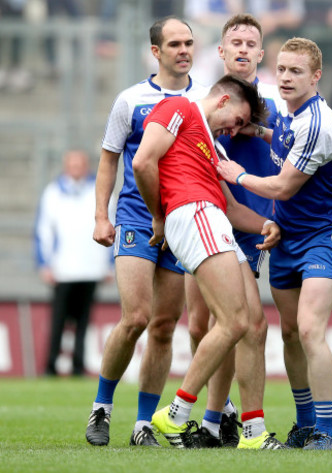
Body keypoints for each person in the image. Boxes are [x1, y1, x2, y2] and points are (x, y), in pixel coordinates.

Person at [134, 74, 285, 450]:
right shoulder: (179, 108)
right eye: (237, 120)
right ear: (223, 101)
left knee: (252, 324)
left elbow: (232, 209)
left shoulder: (212, 147)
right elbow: (141, 162)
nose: (236, 130)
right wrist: (158, 214)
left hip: (213, 217)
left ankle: (252, 431)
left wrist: (270, 224)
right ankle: (176, 414)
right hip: (193, 212)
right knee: (232, 320)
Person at [217, 37, 332, 451]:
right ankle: (306, 423)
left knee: (310, 330)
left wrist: (236, 175)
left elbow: (282, 185)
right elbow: (283, 138)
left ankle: (324, 433)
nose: (287, 77)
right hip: (286, 235)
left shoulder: (317, 122)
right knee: (290, 333)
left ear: (316, 76)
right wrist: (258, 130)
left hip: (321, 234)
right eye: (282, 69)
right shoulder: (291, 116)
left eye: (296, 71)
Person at [85, 16, 208, 448]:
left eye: (189, 42)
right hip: (138, 217)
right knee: (135, 317)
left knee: (163, 325)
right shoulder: (131, 100)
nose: (183, 50)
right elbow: (108, 159)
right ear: (155, 51)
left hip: (181, 222)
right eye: (174, 43)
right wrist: (102, 215)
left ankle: (142, 426)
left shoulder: (204, 98)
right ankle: (101, 407)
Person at [185, 12, 286, 449]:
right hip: (206, 220)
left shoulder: (275, 105)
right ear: (221, 51)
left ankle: (222, 421)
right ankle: (218, 414)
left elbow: (297, 149)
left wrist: (258, 129)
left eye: (251, 43)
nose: (243, 49)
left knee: (244, 325)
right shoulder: (200, 105)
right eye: (235, 42)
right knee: (200, 326)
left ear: (261, 54)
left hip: (247, 227)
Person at [35, 149, 113, 377]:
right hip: (63, 269)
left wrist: (108, 264)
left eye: (80, 164)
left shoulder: (99, 191)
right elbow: (43, 230)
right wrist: (44, 264)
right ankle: (51, 365)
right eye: (72, 164)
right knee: (58, 320)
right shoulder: (53, 193)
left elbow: (113, 224)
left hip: (91, 269)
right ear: (66, 166)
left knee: (84, 322)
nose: (76, 169)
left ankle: (78, 366)